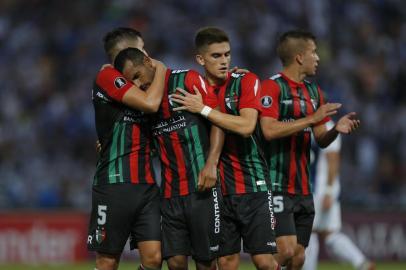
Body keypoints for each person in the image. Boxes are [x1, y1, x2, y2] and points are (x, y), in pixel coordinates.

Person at [171, 27, 278, 270]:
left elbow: (247, 126)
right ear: (200, 59)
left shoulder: (245, 81)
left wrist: (204, 110)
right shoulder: (192, 90)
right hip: (217, 191)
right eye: (216, 56)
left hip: (252, 184)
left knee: (263, 261)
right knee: (226, 262)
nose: (224, 61)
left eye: (227, 55)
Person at [259, 30, 360, 270]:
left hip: (304, 188)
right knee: (284, 251)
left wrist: (336, 129)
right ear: (299, 57)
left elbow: (321, 140)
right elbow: (269, 131)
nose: (318, 58)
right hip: (277, 184)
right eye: (313, 52)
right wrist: (310, 119)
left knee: (299, 258)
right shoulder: (271, 87)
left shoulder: (314, 93)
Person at [113, 47, 222, 270]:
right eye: (129, 81)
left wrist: (211, 163)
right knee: (175, 262)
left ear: (147, 61)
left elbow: (218, 119)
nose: (136, 84)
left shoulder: (187, 79)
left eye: (136, 75)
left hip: (201, 188)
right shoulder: (144, 104)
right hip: (170, 194)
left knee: (206, 262)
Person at [87, 27, 167, 270]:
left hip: (146, 185)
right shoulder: (107, 76)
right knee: (108, 261)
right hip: (114, 183)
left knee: (153, 259)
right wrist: (161, 67)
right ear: (126, 51)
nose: (147, 54)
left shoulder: (143, 83)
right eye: (142, 48)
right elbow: (150, 105)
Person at [302, 123, 375, 270]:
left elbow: (333, 159)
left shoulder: (327, 126)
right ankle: (362, 263)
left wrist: (329, 191)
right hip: (323, 189)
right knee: (330, 234)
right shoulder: (316, 124)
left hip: (319, 190)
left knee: (310, 233)